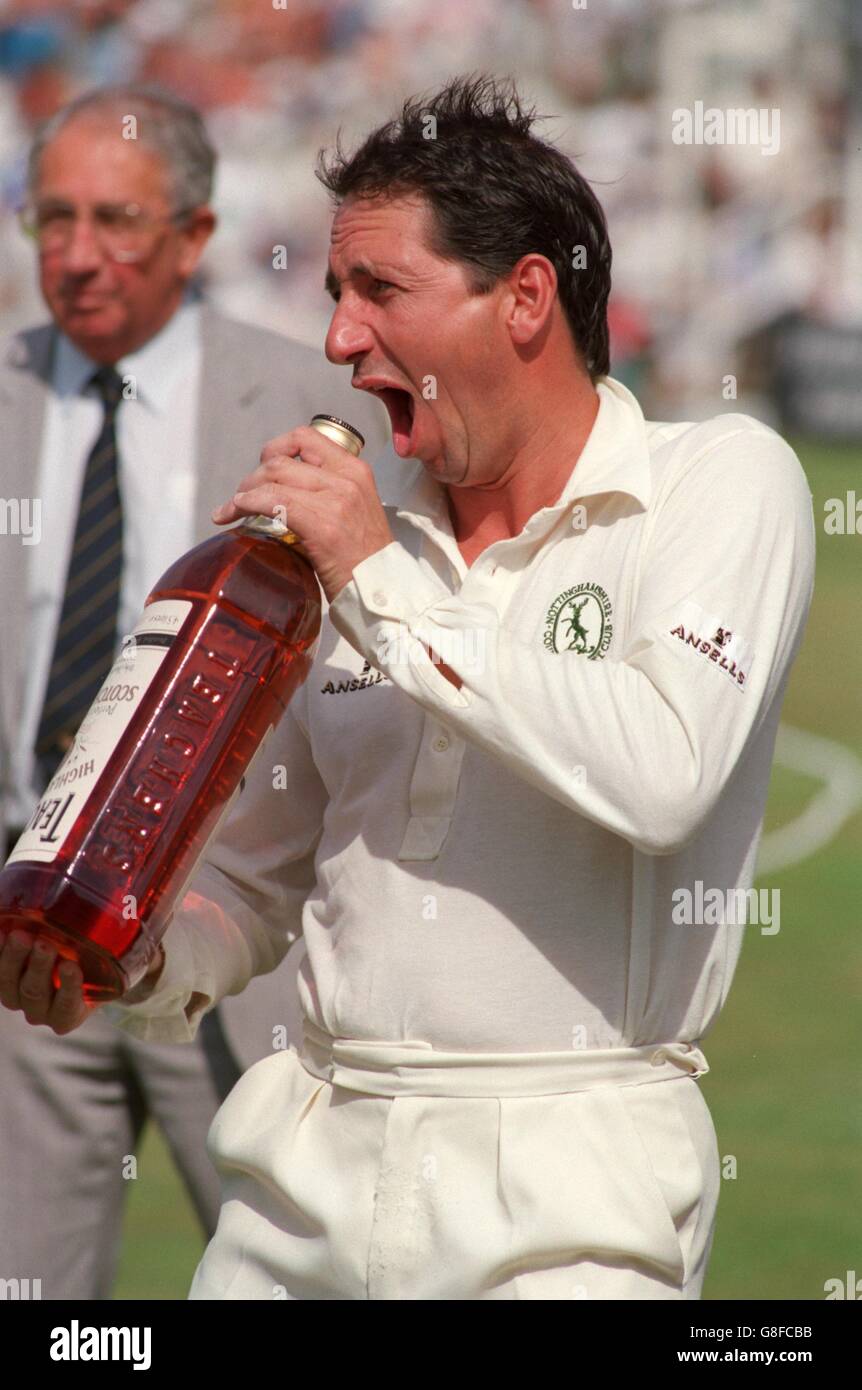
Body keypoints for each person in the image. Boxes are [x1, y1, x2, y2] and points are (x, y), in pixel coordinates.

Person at [0, 74, 815, 1300]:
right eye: (335, 295)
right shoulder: (359, 557)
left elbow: (663, 772)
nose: (336, 339)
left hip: (572, 1201)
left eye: (379, 291)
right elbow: (251, 882)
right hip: (297, 1186)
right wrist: (137, 952)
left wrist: (377, 578)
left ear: (525, 297)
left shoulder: (716, 477)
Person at [0, 82, 387, 1301]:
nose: (76, 255)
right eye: (49, 219)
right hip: (29, 937)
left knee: (287, 1278)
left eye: (115, 219)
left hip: (231, 927)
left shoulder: (311, 407)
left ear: (197, 233)